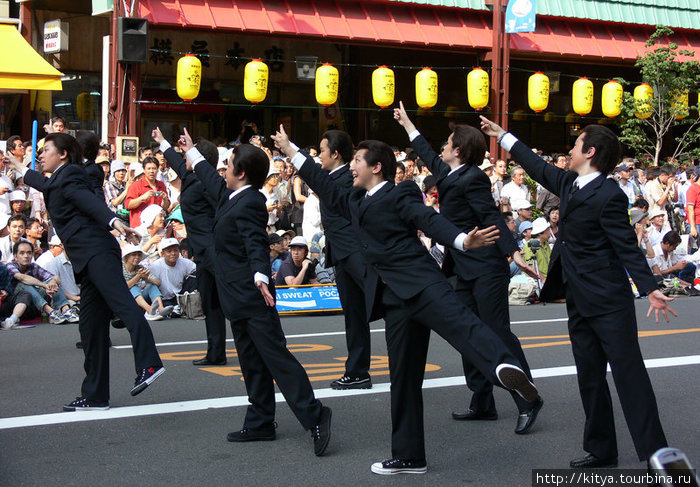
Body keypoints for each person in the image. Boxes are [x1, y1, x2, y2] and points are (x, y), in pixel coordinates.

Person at [273, 125, 539, 475]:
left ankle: (511, 374)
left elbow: (428, 221)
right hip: (394, 299)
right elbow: (321, 182)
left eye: (357, 160)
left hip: (423, 284)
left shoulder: (402, 194)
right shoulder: (354, 199)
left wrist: (461, 241)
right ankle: (410, 456)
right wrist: (291, 149)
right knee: (403, 378)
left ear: (376, 167)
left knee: (466, 328)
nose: (351, 166)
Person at [480, 115, 676, 468]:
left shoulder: (610, 195)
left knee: (630, 377)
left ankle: (655, 453)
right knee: (589, 377)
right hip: (578, 297)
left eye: (575, 145)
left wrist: (650, 289)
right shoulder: (570, 183)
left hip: (609, 301)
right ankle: (601, 449)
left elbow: (625, 247)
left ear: (590, 151)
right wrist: (503, 137)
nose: (568, 150)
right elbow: (536, 166)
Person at [179, 128, 332, 456]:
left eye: (229, 162)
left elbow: (255, 243)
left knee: (276, 358)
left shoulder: (250, 201)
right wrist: (190, 150)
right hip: (236, 295)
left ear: (241, 172)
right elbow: (207, 176)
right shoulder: (231, 195)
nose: (223, 167)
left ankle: (316, 415)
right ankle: (261, 420)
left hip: (252, 294)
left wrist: (262, 276)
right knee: (251, 361)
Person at [395, 103, 542, 434]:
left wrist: (513, 250)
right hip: (462, 266)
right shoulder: (451, 173)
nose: (442, 147)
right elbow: (426, 152)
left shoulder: (472, 177)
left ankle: (527, 399)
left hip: (486, 267)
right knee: (467, 334)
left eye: (447, 142)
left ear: (458, 150)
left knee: (498, 334)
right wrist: (407, 125)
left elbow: (490, 216)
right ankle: (483, 402)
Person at [5, 132, 164, 411]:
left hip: (97, 252)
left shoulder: (72, 176)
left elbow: (89, 202)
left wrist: (114, 220)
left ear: (63, 154)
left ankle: (150, 364)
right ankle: (95, 395)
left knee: (124, 305)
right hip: (86, 260)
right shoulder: (58, 179)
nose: (40, 155)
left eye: (46, 150)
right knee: (90, 328)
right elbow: (44, 183)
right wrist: (19, 168)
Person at [153, 128, 228, 366]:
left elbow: (223, 208)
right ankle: (216, 352)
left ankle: (257, 347)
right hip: (201, 252)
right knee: (209, 303)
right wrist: (162, 141)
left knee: (230, 302)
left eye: (188, 155)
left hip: (215, 249)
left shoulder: (208, 183)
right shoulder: (189, 177)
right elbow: (175, 160)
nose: (182, 159)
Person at [6, 240, 76, 323]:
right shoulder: (10, 265)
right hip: (16, 303)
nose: (26, 256)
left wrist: (52, 281)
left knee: (52, 282)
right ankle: (51, 312)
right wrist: (44, 285)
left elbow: (57, 278)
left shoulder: (33, 266)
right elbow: (22, 277)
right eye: (22, 253)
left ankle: (66, 310)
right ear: (15, 256)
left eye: (29, 253)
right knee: (24, 284)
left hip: (34, 303)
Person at [149, 238, 196, 309]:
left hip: (180, 295)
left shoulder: (185, 262)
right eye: (169, 251)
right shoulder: (156, 266)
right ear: (163, 253)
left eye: (175, 250)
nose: (173, 253)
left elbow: (197, 271)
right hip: (164, 298)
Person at [124, 156, 170, 227]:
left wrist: (164, 199)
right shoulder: (136, 185)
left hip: (157, 227)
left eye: (154, 168)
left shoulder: (161, 185)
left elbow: (164, 207)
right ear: (144, 170)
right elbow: (128, 205)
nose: (151, 171)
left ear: (157, 170)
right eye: (149, 169)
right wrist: (142, 198)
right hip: (140, 227)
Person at [0, 260, 33, 330]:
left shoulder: (2, 268)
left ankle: (11, 320)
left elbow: (8, 288)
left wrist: (5, 292)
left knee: (25, 294)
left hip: (3, 302)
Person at [521, 217, 552, 282]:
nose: (550, 232)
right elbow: (531, 266)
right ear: (540, 232)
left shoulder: (546, 244)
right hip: (535, 281)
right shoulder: (530, 244)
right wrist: (543, 279)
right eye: (548, 230)